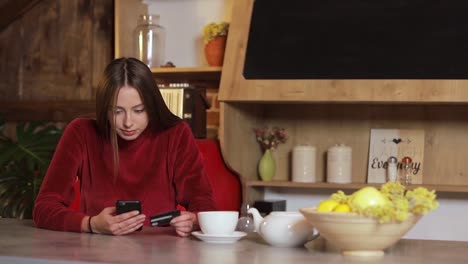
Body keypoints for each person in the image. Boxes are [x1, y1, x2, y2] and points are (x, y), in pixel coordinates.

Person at [33, 57, 216, 236]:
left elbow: (204, 204)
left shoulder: (176, 134)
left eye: (138, 110)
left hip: (160, 252)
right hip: (98, 252)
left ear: (152, 106)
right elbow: (44, 208)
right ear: (105, 109)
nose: (128, 122)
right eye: (117, 111)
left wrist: (193, 220)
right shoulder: (81, 133)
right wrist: (90, 224)